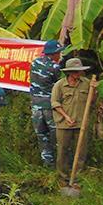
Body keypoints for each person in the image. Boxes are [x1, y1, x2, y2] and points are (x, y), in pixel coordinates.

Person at [51, 57, 94, 188]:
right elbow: (55, 103)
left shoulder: (87, 83)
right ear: (68, 72)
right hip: (64, 124)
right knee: (63, 151)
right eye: (74, 71)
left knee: (80, 152)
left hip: (81, 124)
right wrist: (66, 117)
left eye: (79, 71)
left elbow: (92, 102)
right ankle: (63, 177)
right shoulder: (59, 85)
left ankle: (76, 178)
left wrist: (94, 90)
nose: (77, 74)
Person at [30, 39, 64, 169]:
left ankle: (47, 165)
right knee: (56, 136)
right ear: (54, 53)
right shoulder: (55, 67)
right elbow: (59, 85)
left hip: (35, 106)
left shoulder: (34, 63)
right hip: (50, 107)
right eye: (59, 53)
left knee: (42, 136)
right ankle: (59, 164)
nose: (60, 55)